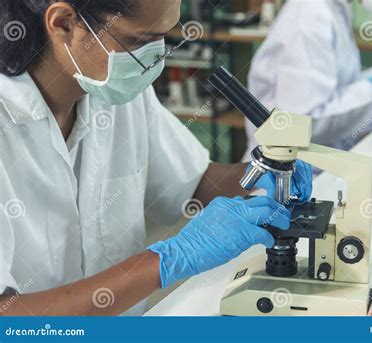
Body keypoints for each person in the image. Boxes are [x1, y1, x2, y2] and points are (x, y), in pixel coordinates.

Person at [0, 0, 313, 316]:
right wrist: (169, 259)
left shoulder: (112, 90)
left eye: (163, 38)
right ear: (64, 23)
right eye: (139, 41)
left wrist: (263, 170)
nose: (153, 59)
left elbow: (193, 182)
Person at [244, 0, 372, 160]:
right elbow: (305, 122)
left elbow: (332, 85)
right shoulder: (310, 16)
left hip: (318, 159)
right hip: (286, 169)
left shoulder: (335, 8)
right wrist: (371, 87)